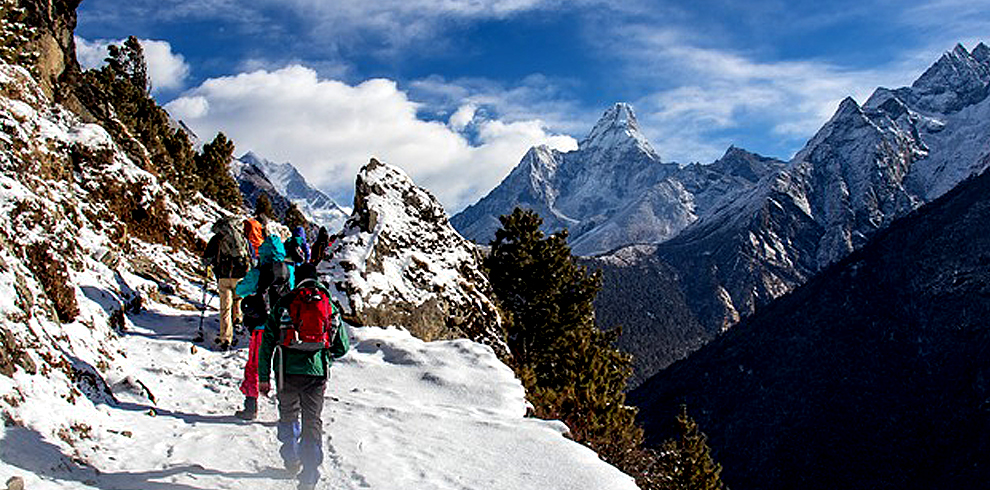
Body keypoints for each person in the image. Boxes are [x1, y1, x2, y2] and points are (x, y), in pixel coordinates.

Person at [258, 264, 349, 490]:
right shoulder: (329, 305)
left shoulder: (284, 303)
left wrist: (263, 376)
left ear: (297, 279)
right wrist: (325, 355)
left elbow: (267, 342)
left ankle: (291, 458)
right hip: (316, 374)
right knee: (312, 422)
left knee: (288, 415)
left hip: (286, 372)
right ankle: (309, 476)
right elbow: (343, 346)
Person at [233, 234, 294, 420]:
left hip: (261, 326)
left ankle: (250, 406)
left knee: (255, 365)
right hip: (284, 326)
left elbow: (240, 290)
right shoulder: (289, 270)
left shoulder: (258, 272)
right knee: (285, 367)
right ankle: (288, 411)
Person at [202, 216, 250, 350]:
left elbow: (206, 259)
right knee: (238, 299)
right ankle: (238, 321)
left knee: (225, 308)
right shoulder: (241, 237)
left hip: (224, 276)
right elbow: (249, 254)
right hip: (240, 274)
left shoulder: (217, 239)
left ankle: (226, 337)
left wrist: (209, 266)